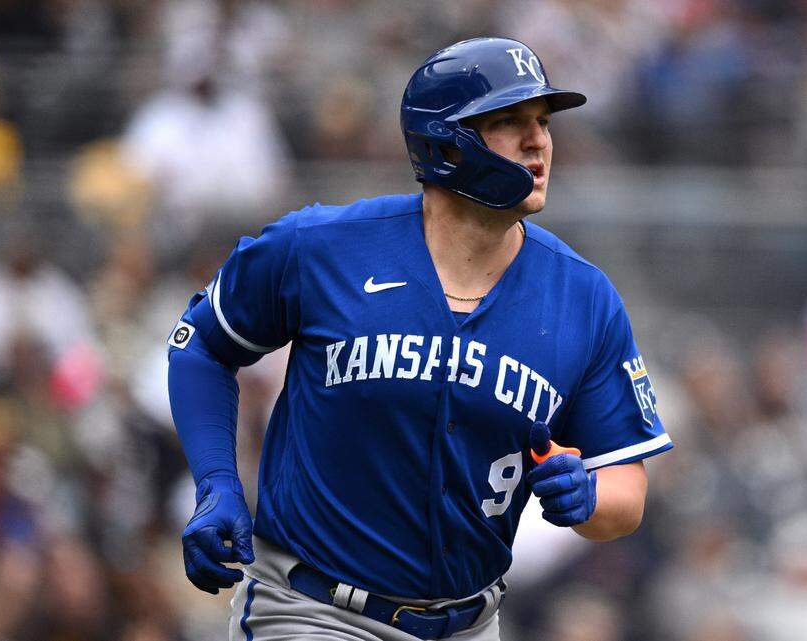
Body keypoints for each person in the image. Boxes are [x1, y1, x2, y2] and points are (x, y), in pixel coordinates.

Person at [166, 37, 673, 641]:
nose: (538, 141)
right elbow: (201, 344)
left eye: (542, 121)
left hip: (470, 622)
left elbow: (627, 486)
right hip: (314, 609)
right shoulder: (321, 248)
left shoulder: (584, 299)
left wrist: (588, 497)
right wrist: (217, 483)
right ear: (444, 143)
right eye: (508, 122)